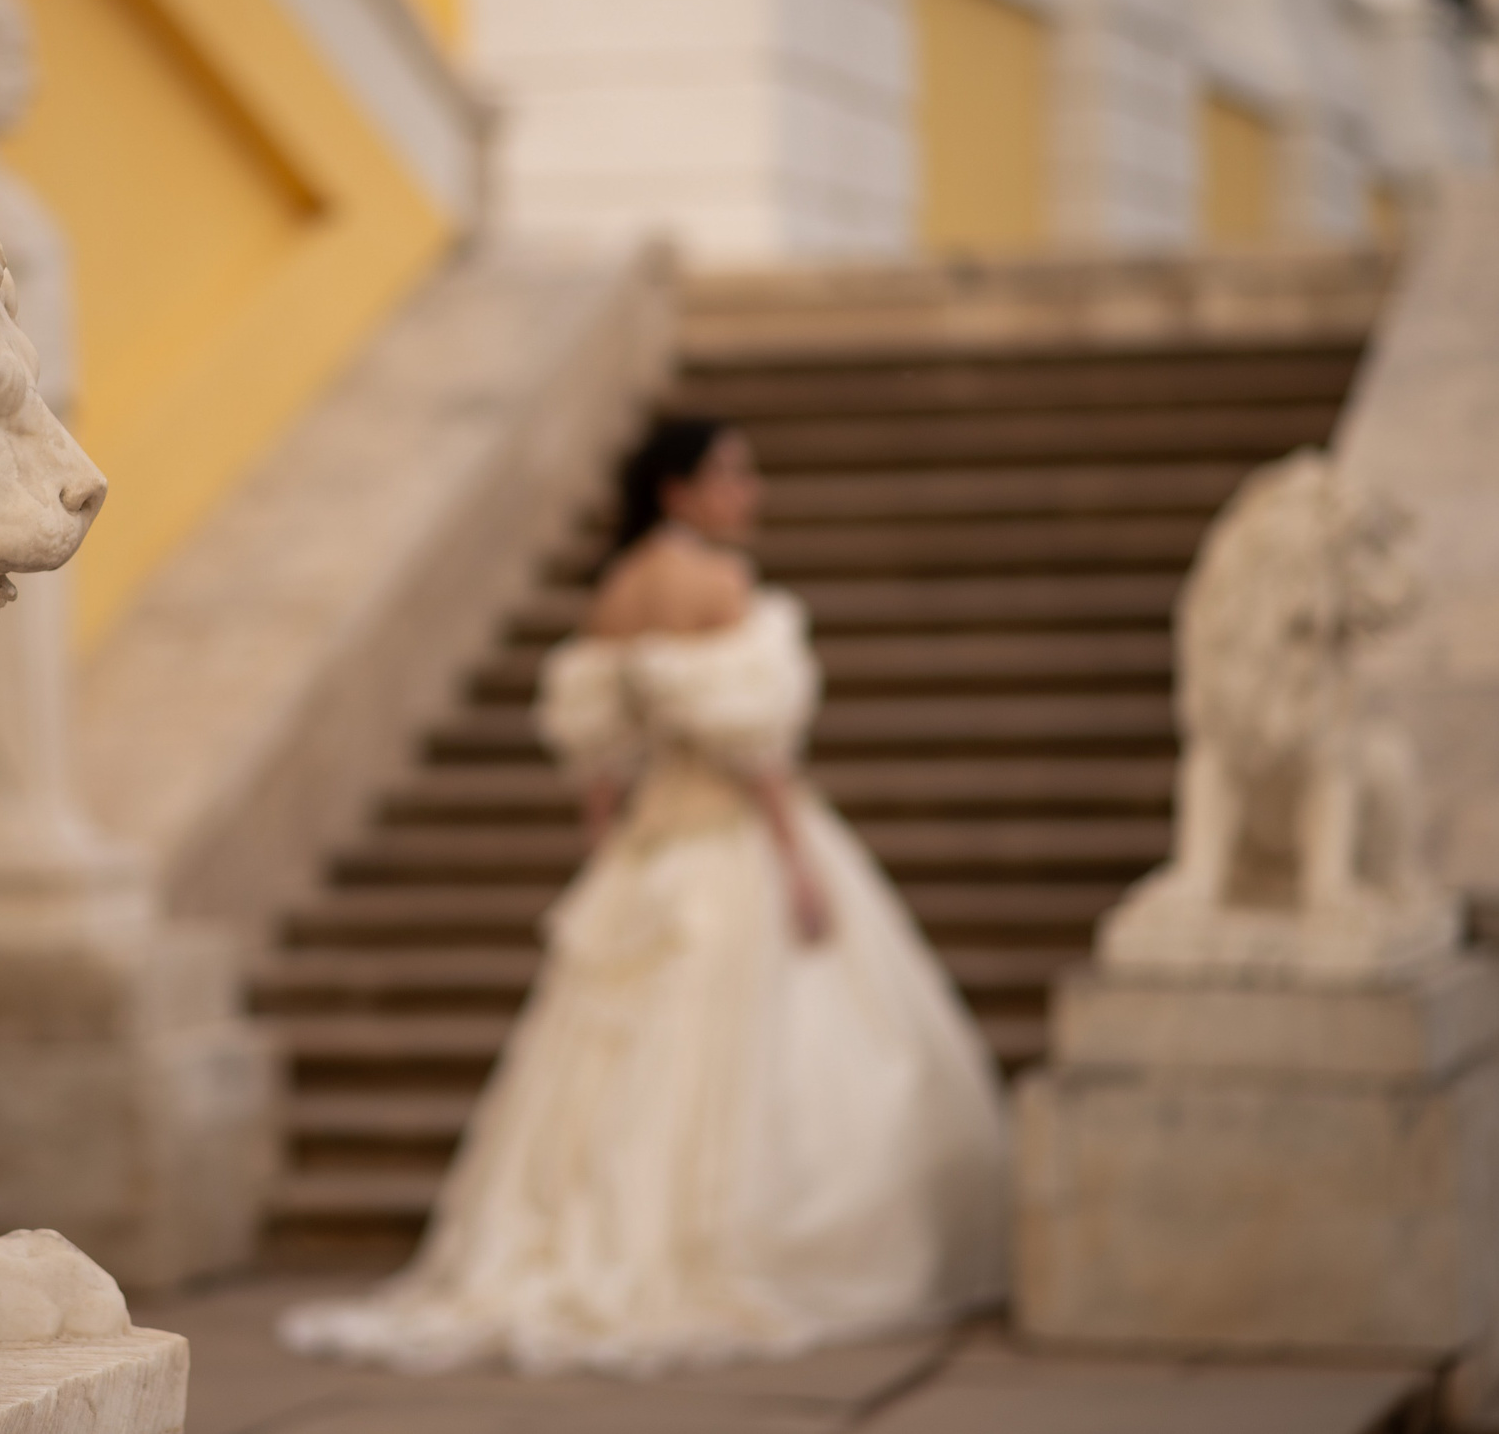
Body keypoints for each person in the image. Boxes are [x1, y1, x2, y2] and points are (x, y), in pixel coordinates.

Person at [279, 419, 1009, 1375]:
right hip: (729, 848)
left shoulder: (617, 593)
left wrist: (610, 851)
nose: (750, 492)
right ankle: (709, 1251)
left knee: (610, 1071)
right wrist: (796, 859)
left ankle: (592, 1244)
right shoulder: (718, 585)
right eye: (732, 474)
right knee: (754, 1066)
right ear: (679, 490)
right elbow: (757, 747)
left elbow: (594, 756)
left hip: (648, 854)